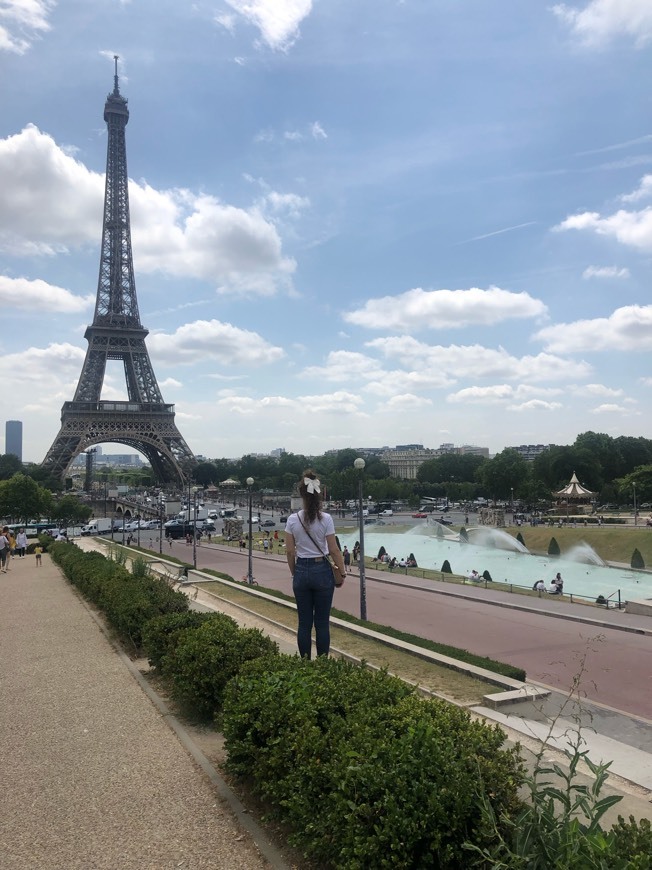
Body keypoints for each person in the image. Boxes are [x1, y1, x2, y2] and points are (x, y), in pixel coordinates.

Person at [285, 470, 346, 658]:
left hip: (302, 569)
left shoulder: (292, 519)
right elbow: (334, 550)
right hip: (322, 571)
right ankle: (322, 665)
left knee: (304, 623)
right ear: (318, 495)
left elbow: (290, 551)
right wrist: (341, 572)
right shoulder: (326, 519)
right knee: (321, 623)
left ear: (301, 495)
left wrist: (296, 572)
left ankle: (305, 664)